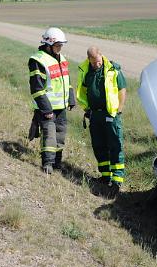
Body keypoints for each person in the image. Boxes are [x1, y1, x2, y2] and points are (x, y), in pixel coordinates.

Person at [77, 47, 127, 195]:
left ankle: (117, 180)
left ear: (101, 55)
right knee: (99, 146)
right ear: (89, 60)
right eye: (93, 63)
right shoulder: (86, 70)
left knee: (115, 145)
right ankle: (106, 176)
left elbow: (122, 90)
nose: (96, 65)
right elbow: (83, 90)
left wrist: (118, 110)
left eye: (98, 62)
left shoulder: (113, 69)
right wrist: (87, 109)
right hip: (95, 115)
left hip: (110, 114)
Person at [28, 27, 76, 174]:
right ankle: (47, 164)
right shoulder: (38, 60)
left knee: (60, 135)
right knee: (49, 135)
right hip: (46, 108)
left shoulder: (62, 58)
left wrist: (71, 98)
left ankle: (57, 163)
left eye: (61, 45)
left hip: (61, 106)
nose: (60, 48)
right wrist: (46, 109)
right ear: (48, 45)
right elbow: (37, 88)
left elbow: (66, 81)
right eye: (57, 45)